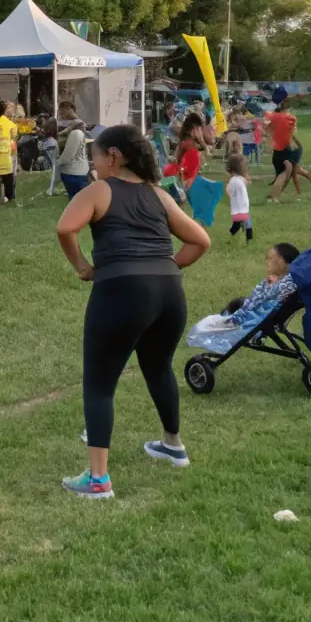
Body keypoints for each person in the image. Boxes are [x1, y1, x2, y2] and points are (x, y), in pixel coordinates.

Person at [56, 124, 211, 499]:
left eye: (95, 156)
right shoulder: (159, 195)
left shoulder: (99, 191)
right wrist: (164, 266)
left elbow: (65, 228)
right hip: (169, 292)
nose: (92, 164)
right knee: (159, 367)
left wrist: (81, 267)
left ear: (112, 157)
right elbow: (200, 240)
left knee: (99, 383)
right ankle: (172, 444)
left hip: (121, 289)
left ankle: (98, 480)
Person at [48, 106, 90, 199]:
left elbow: (68, 156)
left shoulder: (75, 134)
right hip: (75, 172)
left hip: (75, 173)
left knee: (79, 201)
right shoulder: (74, 133)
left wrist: (58, 163)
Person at [264, 99, 298, 202]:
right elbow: (293, 134)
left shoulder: (274, 117)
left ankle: (274, 196)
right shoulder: (291, 118)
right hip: (285, 149)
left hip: (276, 151)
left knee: (281, 174)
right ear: (288, 107)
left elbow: (267, 129)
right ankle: (273, 197)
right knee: (284, 174)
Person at [165, 112, 204, 190]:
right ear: (193, 130)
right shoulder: (190, 146)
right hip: (186, 184)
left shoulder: (185, 142)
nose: (201, 132)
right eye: (199, 129)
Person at [226, 154, 253, 244]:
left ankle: (248, 240)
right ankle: (232, 234)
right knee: (238, 224)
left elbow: (248, 182)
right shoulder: (234, 180)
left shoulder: (239, 178)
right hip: (239, 207)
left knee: (247, 224)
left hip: (244, 206)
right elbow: (229, 190)